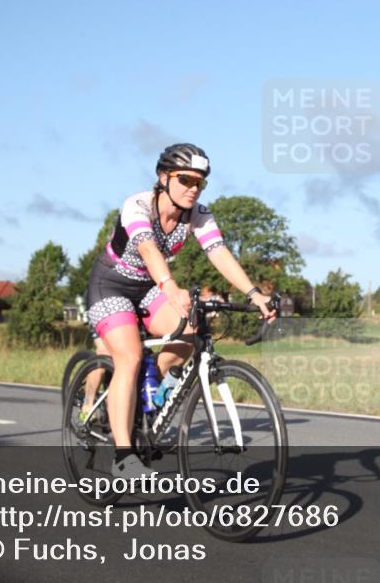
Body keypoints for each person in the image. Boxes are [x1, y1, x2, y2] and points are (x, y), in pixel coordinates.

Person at [85, 143, 275, 478]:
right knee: (128, 356)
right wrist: (170, 288)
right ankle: (123, 457)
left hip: (147, 288)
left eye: (200, 182)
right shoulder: (138, 205)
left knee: (190, 333)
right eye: (185, 179)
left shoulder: (197, 214)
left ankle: (147, 395)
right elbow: (146, 247)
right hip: (111, 284)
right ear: (163, 177)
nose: (193, 188)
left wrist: (254, 292)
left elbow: (218, 253)